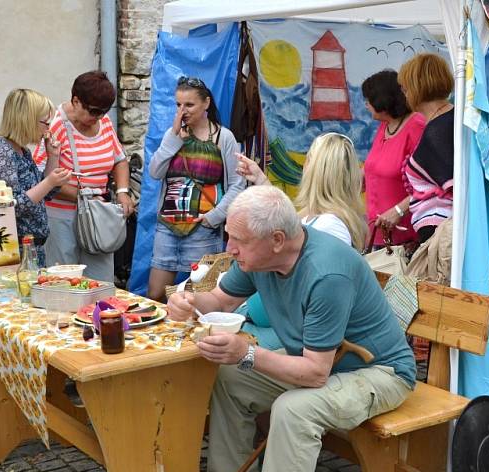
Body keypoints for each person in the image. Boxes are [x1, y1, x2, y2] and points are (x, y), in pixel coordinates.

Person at [167, 186, 416, 472]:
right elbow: (220, 300)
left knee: (293, 408)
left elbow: (315, 374)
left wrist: (245, 353)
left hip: (380, 372)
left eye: (238, 241)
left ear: (277, 240)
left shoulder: (327, 272)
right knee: (229, 377)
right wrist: (190, 302)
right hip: (325, 363)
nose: (230, 249)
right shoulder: (258, 256)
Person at [234, 132, 367, 346]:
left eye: (309, 158)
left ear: (313, 171)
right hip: (273, 325)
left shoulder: (332, 227)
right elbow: (290, 228)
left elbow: (314, 293)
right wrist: (261, 180)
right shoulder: (316, 218)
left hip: (289, 335)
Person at [147, 76, 245, 302]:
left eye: (189, 105)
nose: (182, 111)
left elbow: (237, 185)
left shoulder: (224, 137)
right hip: (168, 226)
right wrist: (174, 139)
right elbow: (155, 172)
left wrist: (214, 217)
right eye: (178, 105)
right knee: (155, 294)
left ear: (206, 104)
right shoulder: (172, 135)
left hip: (203, 228)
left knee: (200, 296)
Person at [33, 71, 131, 282]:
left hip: (97, 216)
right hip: (63, 218)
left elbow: (120, 160)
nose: (98, 118)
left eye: (104, 112)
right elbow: (41, 178)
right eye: (94, 111)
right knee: (64, 281)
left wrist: (123, 191)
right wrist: (84, 196)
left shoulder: (103, 123)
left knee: (100, 282)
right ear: (76, 101)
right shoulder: (56, 125)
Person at [0, 89, 70, 266]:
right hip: (11, 249)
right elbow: (11, 206)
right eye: (45, 123)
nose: (48, 130)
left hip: (30, 247)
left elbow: (45, 194)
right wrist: (49, 182)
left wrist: (53, 157)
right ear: (27, 120)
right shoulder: (0, 150)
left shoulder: (22, 150)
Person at [361, 69, 424, 247]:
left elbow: (429, 185)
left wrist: (399, 211)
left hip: (406, 238)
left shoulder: (416, 126)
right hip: (377, 233)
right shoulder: (385, 125)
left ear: (383, 101)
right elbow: (374, 167)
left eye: (369, 100)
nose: (366, 105)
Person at [397, 53, 455, 244]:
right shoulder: (453, 118)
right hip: (448, 229)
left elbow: (457, 186)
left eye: (405, 88)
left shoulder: (438, 130)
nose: (404, 94)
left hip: (441, 232)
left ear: (416, 88)